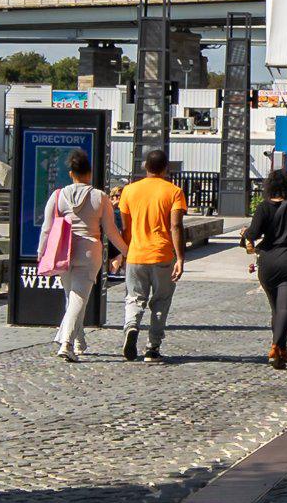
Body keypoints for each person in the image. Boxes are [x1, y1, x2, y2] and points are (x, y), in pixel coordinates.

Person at [39, 150, 129, 361]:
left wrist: (41, 253)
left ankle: (78, 340)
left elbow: (46, 228)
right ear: (90, 173)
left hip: (62, 250)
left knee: (71, 297)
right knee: (78, 298)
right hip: (89, 251)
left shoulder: (58, 195)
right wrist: (126, 252)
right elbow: (111, 230)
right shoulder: (100, 197)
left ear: (71, 173)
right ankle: (67, 343)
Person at [115, 149, 189, 361]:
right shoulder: (174, 192)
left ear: (145, 167)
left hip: (136, 254)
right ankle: (152, 348)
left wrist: (123, 253)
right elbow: (176, 225)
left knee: (134, 298)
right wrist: (181, 258)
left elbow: (126, 228)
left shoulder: (129, 191)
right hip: (162, 254)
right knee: (161, 301)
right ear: (166, 168)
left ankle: (131, 326)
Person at [241, 169, 287, 369]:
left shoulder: (263, 207)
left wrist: (246, 234)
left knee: (276, 308)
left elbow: (254, 232)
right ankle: (275, 346)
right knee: (285, 308)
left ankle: (281, 351)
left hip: (268, 262)